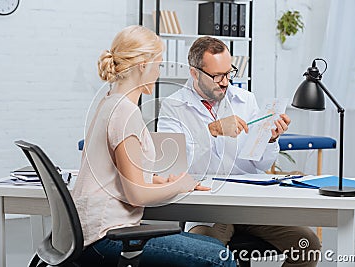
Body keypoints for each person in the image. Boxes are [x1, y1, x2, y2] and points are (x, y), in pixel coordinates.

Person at [72, 26, 236, 267]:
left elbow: (122, 175)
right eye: (158, 65)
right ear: (143, 66)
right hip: (107, 237)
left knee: (215, 247)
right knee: (221, 258)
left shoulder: (109, 103)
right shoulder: (125, 113)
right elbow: (136, 195)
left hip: (90, 232)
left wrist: (154, 180)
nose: (159, 72)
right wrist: (181, 184)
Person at [158, 36, 321, 266]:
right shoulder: (173, 107)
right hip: (209, 209)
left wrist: (270, 139)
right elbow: (172, 164)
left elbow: (259, 164)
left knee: (308, 245)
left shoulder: (245, 100)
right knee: (201, 255)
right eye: (217, 76)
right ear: (194, 73)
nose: (225, 82)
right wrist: (212, 130)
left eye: (228, 73)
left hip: (249, 204)